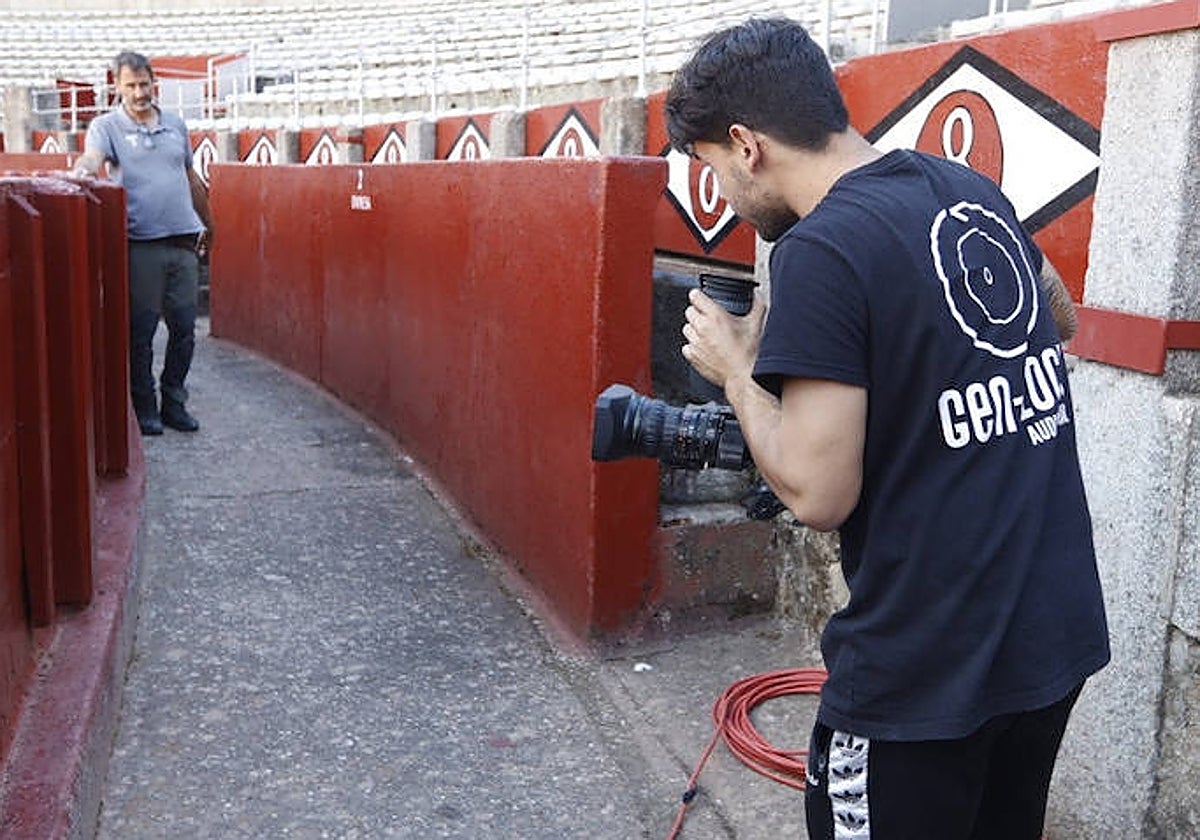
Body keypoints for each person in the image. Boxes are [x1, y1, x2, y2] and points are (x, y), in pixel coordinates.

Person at [666, 18, 1109, 840]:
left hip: (924, 678)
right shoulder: (964, 188)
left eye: (713, 167)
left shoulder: (821, 249)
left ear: (747, 145)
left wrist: (736, 372)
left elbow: (818, 493)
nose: (722, 194)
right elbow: (1059, 315)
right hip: (1051, 639)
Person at [74, 50, 211, 435]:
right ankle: (144, 406)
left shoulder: (175, 125)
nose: (139, 92)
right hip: (141, 243)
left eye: (144, 84)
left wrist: (209, 224)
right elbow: (92, 159)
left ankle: (174, 403)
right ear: (117, 87)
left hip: (183, 241)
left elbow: (190, 177)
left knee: (184, 329)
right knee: (142, 331)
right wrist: (80, 171)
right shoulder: (106, 126)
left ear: (155, 83)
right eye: (131, 85)